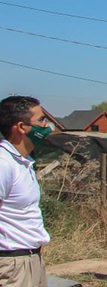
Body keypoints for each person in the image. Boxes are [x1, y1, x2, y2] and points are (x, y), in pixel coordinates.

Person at [0, 96, 53, 287]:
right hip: (12, 265)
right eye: (41, 120)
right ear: (21, 127)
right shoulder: (3, 164)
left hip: (31, 259)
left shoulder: (23, 162)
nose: (47, 126)